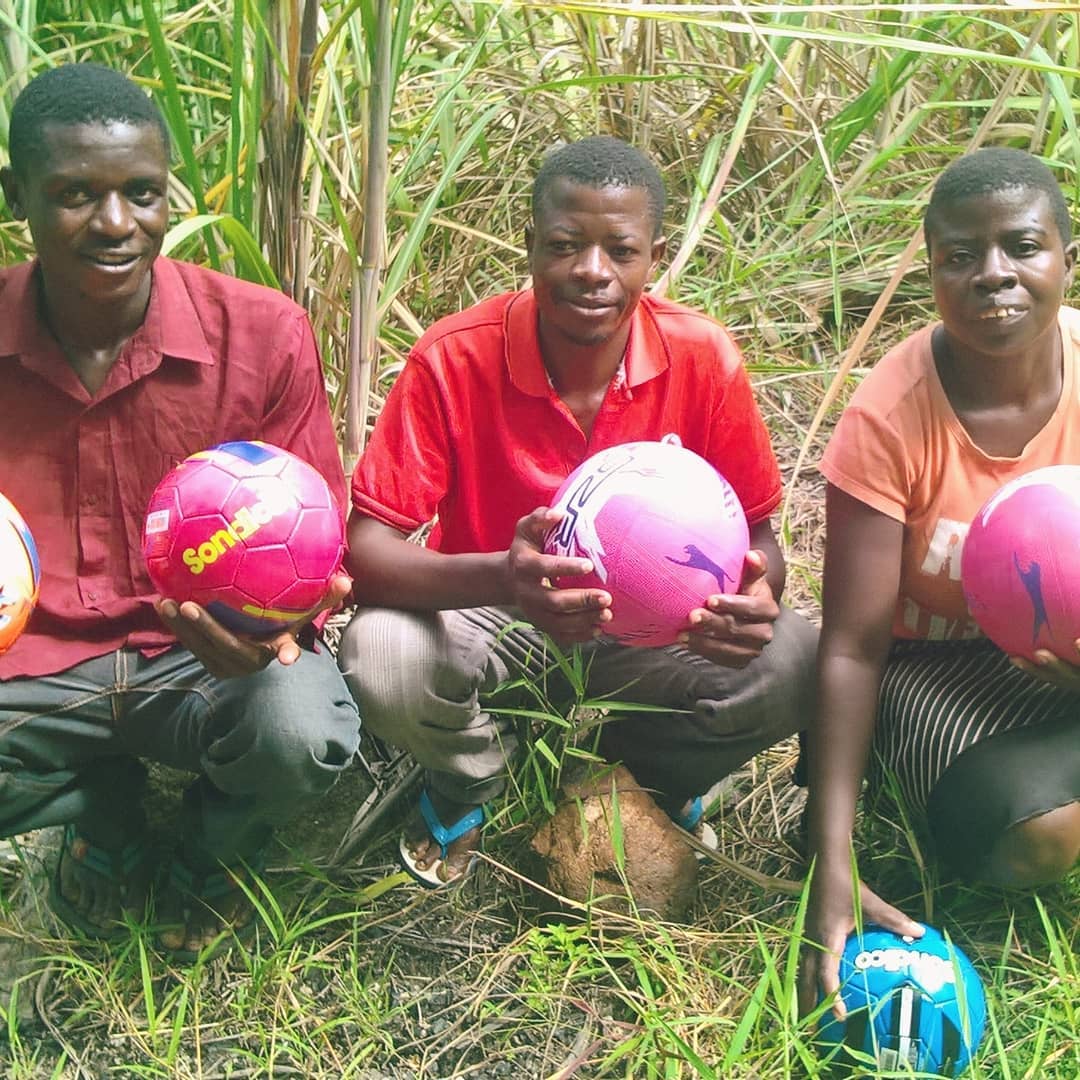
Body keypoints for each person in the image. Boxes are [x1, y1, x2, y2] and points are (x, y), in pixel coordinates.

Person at [337, 135, 818, 887]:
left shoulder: (702, 356)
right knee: (381, 653)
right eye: (565, 245)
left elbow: (758, 533)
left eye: (621, 251)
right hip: (496, 615)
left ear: (654, 258)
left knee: (795, 662)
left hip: (657, 625)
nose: (593, 270)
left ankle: (637, 779)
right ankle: (471, 773)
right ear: (530, 245)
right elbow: (367, 550)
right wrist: (507, 578)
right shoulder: (454, 357)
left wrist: (753, 596)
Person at [0, 63, 360, 957]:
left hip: (202, 660)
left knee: (297, 730)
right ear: (17, 196)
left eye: (141, 192)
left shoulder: (262, 333)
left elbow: (318, 544)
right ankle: (104, 811)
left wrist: (277, 628)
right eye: (75, 194)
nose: (115, 223)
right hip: (28, 667)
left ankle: (211, 851)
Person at [799, 147, 1080, 1017]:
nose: (994, 273)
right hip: (931, 668)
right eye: (962, 255)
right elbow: (852, 647)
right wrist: (830, 855)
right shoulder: (891, 417)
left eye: (1022, 246)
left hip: (1066, 662)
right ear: (932, 274)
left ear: (1066, 258)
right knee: (1040, 836)